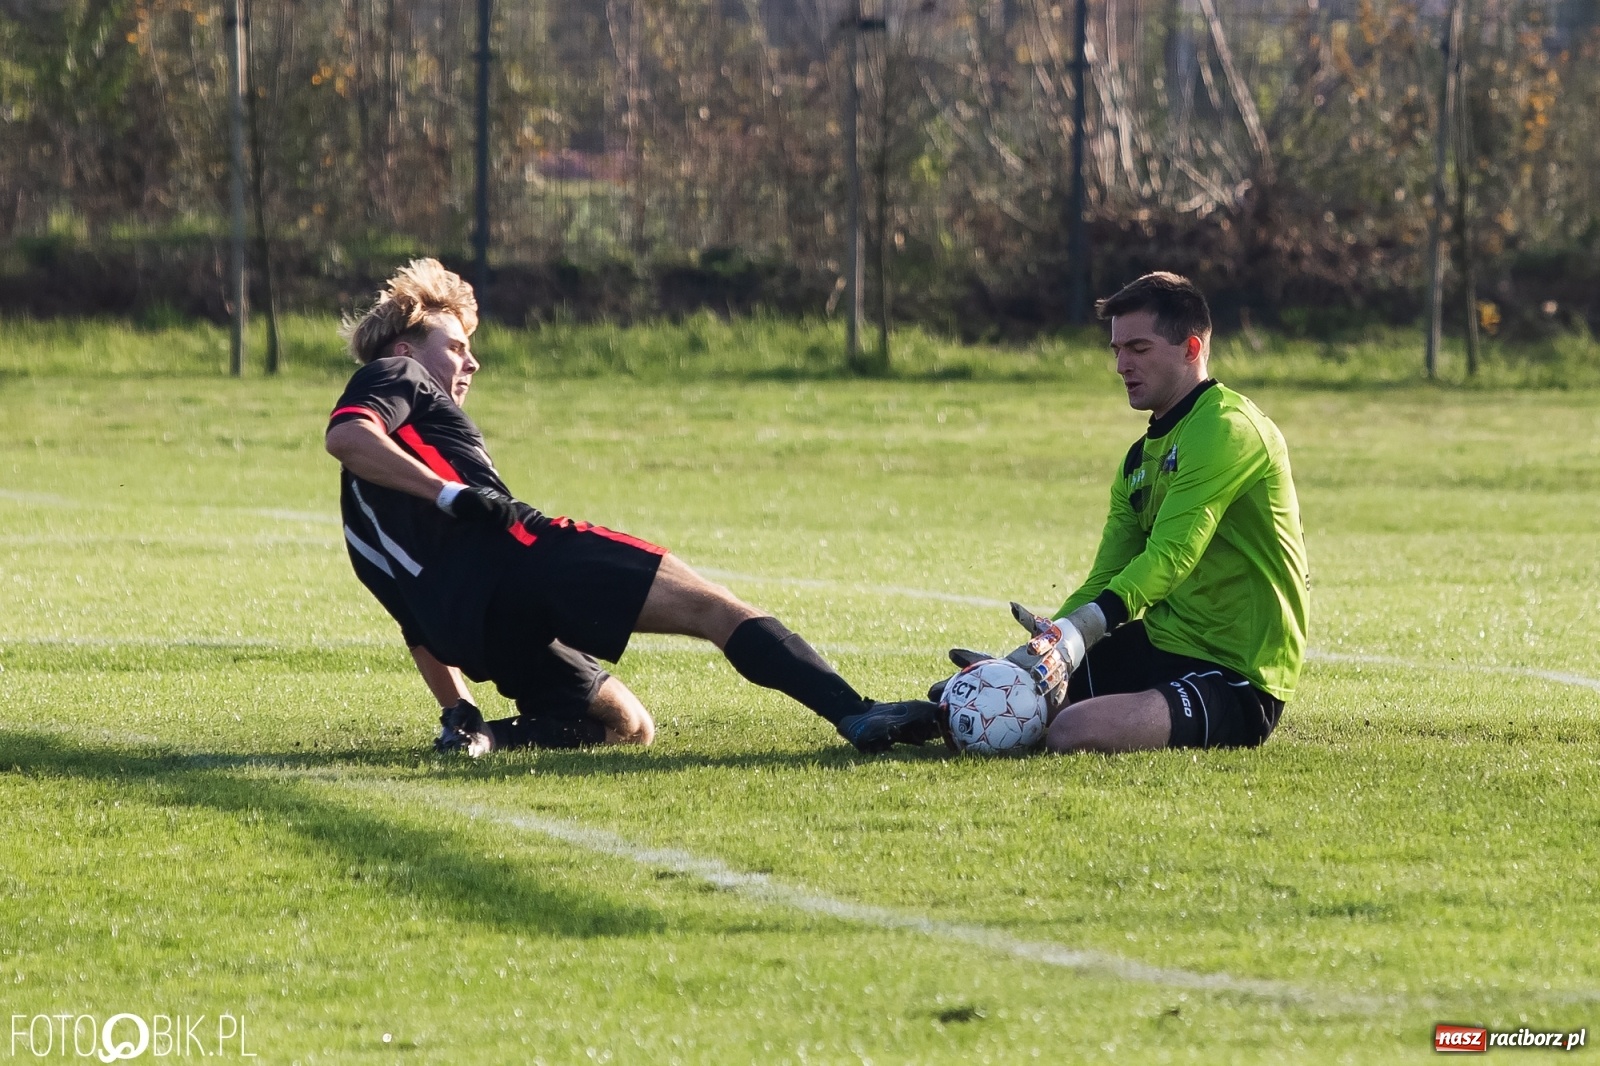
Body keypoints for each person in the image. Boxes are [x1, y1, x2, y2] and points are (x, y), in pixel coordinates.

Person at [324, 259, 936, 756]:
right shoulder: (396, 371)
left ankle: (483, 739)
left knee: (627, 726)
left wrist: (458, 708)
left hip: (474, 628)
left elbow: (414, 620)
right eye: (456, 346)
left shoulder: (359, 512)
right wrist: (452, 493)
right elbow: (346, 435)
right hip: (520, 559)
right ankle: (856, 714)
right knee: (711, 606)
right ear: (406, 345)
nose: (472, 361)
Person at [934, 272, 1310, 753]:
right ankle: (917, 718)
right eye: (1116, 350)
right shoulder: (1138, 460)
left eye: (1138, 348)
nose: (1120, 365)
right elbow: (1106, 575)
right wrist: (1042, 651)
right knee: (1008, 698)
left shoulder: (1226, 428)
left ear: (1191, 349)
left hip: (1238, 673)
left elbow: (1171, 557)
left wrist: (1079, 633)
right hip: (1161, 645)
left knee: (1070, 730)